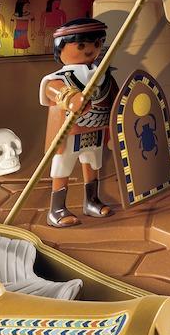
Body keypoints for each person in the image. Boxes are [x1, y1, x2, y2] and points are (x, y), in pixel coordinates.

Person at [38, 18, 118, 227]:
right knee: (63, 168)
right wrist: (69, 97)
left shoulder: (103, 75)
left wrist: (116, 129)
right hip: (69, 132)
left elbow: (116, 101)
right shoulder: (61, 77)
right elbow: (51, 89)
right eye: (81, 45)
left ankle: (91, 201)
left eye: (96, 43)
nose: (90, 49)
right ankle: (57, 209)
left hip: (97, 128)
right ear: (61, 48)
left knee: (92, 163)